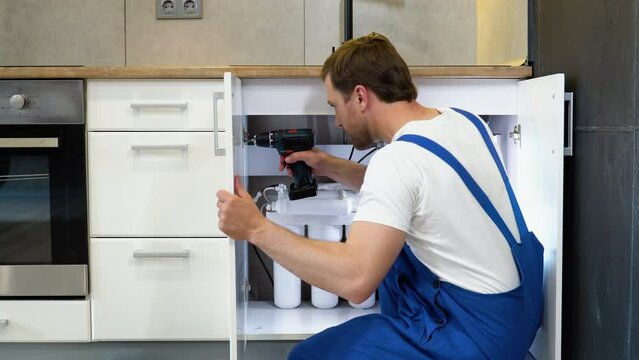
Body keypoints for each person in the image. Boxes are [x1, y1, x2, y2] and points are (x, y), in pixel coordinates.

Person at [216, 32, 543, 359]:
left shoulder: (397, 160)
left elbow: (356, 278)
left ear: (360, 96)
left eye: (335, 106)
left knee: (309, 356)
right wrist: (331, 166)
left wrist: (257, 229)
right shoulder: (463, 120)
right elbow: (414, 192)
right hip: (518, 314)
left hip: (473, 335)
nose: (337, 121)